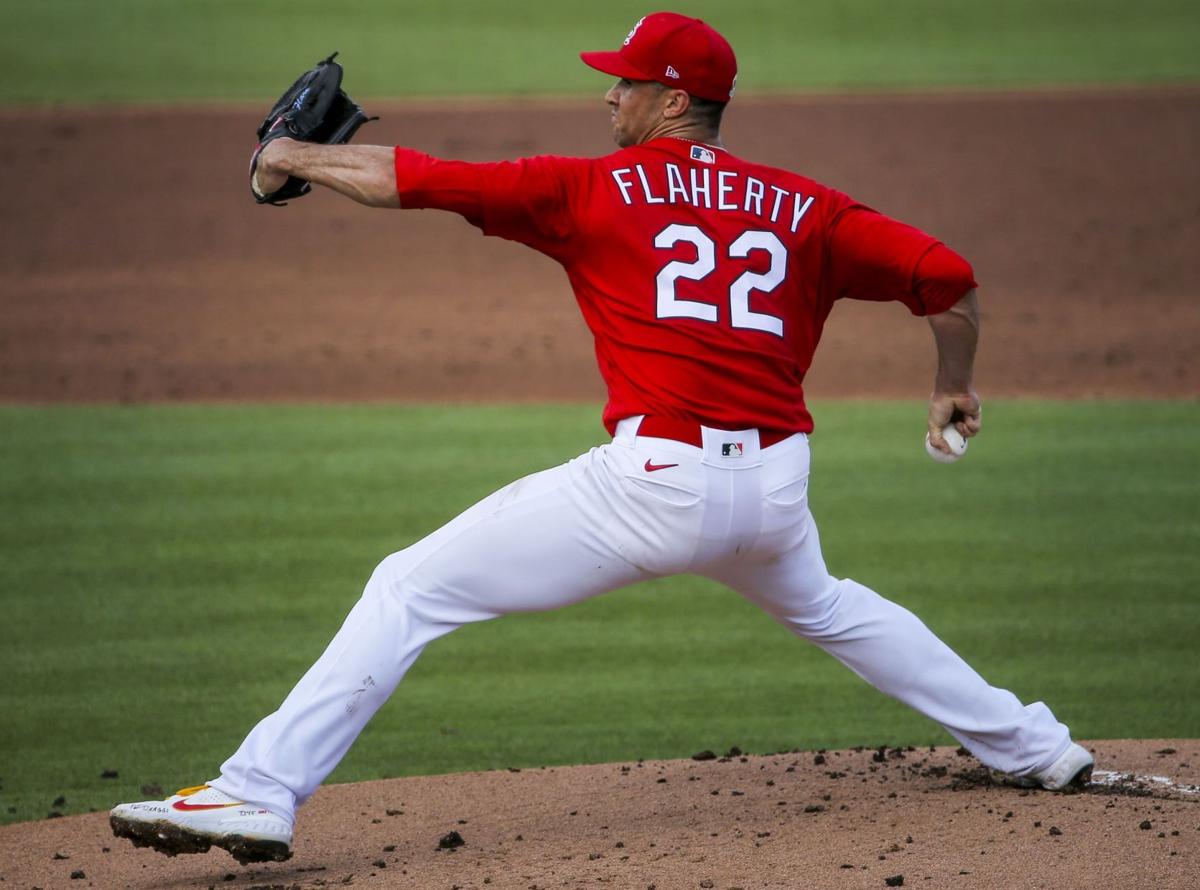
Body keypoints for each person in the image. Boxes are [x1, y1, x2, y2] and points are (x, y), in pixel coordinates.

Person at [110, 11, 1093, 866]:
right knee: (832, 606)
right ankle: (1035, 746)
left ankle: (259, 788)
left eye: (623, 83)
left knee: (409, 584)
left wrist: (293, 158)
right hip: (775, 496)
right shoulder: (810, 208)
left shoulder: (591, 189)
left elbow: (412, 177)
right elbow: (952, 277)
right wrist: (952, 387)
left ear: (672, 102)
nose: (608, 98)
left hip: (655, 486)